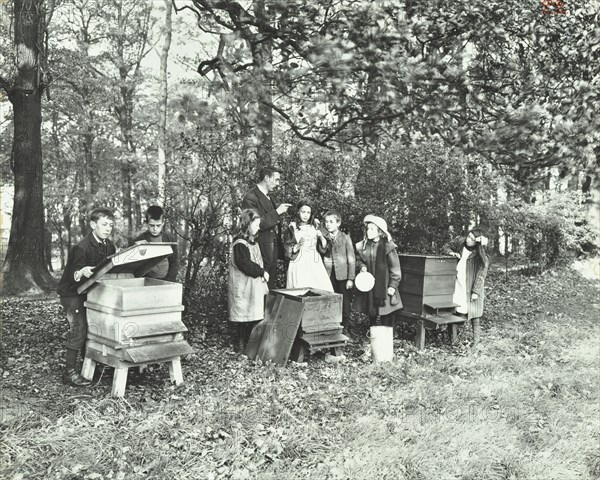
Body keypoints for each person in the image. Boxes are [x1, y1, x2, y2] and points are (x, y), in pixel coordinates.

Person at [57, 207, 116, 386]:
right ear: (93, 225)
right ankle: (69, 373)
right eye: (104, 224)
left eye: (111, 225)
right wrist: (81, 271)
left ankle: (88, 366)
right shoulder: (80, 248)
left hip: (90, 292)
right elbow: (72, 276)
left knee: (94, 328)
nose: (108, 228)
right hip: (72, 293)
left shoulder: (109, 246)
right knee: (79, 329)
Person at [241, 166, 291, 289]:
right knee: (259, 286)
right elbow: (254, 225)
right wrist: (277, 212)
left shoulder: (271, 197)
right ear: (267, 178)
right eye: (276, 180)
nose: (278, 184)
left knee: (269, 286)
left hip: (272, 249)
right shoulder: (250, 197)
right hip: (259, 249)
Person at [228, 208, 270, 352]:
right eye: (256, 224)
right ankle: (239, 344)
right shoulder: (240, 243)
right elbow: (244, 264)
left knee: (253, 314)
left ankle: (251, 344)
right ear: (247, 224)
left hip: (254, 287)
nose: (258, 227)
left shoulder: (253, 242)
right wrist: (261, 271)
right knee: (242, 315)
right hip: (242, 286)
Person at [442, 228, 490, 343]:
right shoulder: (460, 242)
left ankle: (476, 341)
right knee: (454, 310)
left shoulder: (480, 255)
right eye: (468, 237)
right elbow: (446, 246)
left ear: (477, 242)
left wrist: (475, 291)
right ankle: (453, 340)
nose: (468, 240)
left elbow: (481, 274)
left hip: (470, 286)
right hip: (457, 283)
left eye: (472, 239)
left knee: (474, 313)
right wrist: (451, 253)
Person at [354, 215, 402, 326]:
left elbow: (395, 268)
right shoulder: (365, 245)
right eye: (367, 229)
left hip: (384, 284)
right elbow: (359, 260)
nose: (368, 231)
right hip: (370, 283)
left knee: (385, 309)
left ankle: (385, 331)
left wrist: (392, 285)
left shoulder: (388, 246)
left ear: (380, 232)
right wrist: (362, 266)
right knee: (371, 309)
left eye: (372, 229)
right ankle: (372, 331)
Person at [284, 200, 333, 291]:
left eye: (308, 212)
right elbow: (287, 249)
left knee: (319, 288)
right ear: (298, 211)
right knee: (299, 289)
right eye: (303, 212)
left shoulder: (315, 225)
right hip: (298, 262)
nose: (306, 215)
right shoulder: (292, 227)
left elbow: (326, 247)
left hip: (314, 262)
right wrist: (297, 246)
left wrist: (321, 236)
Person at [322, 210, 356, 329]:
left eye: (331, 222)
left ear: (338, 223)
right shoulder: (323, 238)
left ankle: (344, 329)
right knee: (330, 301)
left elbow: (351, 259)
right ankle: (332, 328)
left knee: (345, 303)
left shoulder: (346, 238)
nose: (328, 224)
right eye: (326, 222)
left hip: (343, 277)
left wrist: (351, 278)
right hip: (328, 275)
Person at [132, 205, 178, 282]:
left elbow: (174, 263)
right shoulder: (140, 240)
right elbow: (133, 265)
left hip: (167, 280)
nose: (155, 229)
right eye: (152, 225)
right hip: (147, 281)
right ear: (146, 223)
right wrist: (135, 249)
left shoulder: (170, 239)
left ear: (163, 223)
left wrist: (169, 280)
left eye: (158, 225)